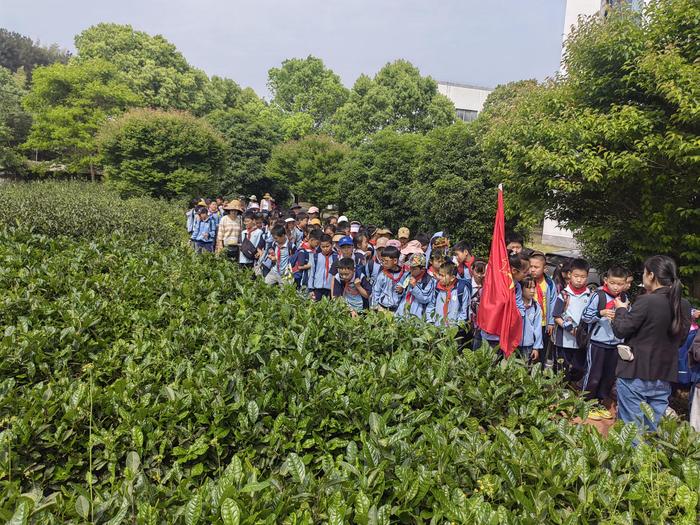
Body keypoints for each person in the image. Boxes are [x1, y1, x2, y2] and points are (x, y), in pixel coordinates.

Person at [611, 255, 691, 432]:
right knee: (650, 430)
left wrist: (621, 310)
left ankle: (633, 461)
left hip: (636, 373)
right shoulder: (683, 304)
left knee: (631, 431)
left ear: (651, 275)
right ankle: (648, 460)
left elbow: (621, 330)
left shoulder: (647, 301)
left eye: (644, 273)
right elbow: (681, 339)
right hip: (664, 375)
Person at [580, 266, 629, 419]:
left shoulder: (624, 298)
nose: (616, 287)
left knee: (608, 376)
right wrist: (600, 313)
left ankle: (600, 402)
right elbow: (585, 316)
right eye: (613, 282)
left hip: (614, 344)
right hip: (597, 342)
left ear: (625, 284)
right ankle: (586, 403)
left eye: (620, 284)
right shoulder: (598, 295)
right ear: (606, 280)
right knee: (594, 374)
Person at [551, 258, 592, 379]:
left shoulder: (590, 295)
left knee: (579, 369)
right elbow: (556, 316)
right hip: (563, 340)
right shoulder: (564, 294)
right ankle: (560, 393)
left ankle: (572, 392)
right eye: (576, 276)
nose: (579, 280)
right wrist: (569, 328)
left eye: (583, 277)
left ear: (587, 276)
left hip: (581, 341)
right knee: (561, 369)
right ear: (570, 275)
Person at [481, 253, 529, 350]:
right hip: (491, 333)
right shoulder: (497, 284)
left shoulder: (517, 287)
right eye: (525, 272)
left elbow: (519, 307)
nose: (528, 273)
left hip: (507, 333)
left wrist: (516, 316)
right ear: (514, 271)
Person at [529, 251, 557, 363]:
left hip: (543, 324)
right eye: (531, 266)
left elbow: (552, 302)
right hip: (529, 323)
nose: (533, 269)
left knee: (541, 351)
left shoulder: (549, 283)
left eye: (536, 267)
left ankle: (538, 374)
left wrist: (551, 322)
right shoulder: (526, 281)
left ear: (545, 268)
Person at [426, 261, 471, 328]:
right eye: (439, 274)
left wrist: (456, 328)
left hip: (453, 331)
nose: (439, 277)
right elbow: (431, 305)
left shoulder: (461, 289)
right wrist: (431, 322)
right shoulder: (437, 287)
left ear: (452, 277)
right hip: (437, 329)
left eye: (442, 276)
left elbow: (464, 312)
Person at [396, 253, 435, 320]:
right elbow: (400, 291)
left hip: (417, 315)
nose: (411, 270)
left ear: (422, 269)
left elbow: (425, 299)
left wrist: (414, 287)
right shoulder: (407, 275)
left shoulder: (429, 280)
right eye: (410, 267)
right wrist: (400, 291)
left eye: (414, 268)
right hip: (402, 312)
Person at [371, 245, 406, 312]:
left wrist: (402, 291)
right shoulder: (382, 275)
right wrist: (374, 307)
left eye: (386, 261)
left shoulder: (404, 275)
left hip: (397, 310)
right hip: (382, 308)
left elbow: (407, 292)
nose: (383, 263)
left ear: (395, 261)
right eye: (382, 260)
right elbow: (376, 291)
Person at [520, 276, 543, 363]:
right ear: (521, 288)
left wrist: (536, 347)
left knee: (525, 370)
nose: (532, 291)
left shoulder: (536, 306)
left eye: (534, 287)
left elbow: (537, 328)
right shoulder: (515, 305)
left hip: (528, 346)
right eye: (528, 288)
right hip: (514, 344)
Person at [308, 234, 338, 301]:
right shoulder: (316, 257)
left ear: (332, 244)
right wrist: (310, 289)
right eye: (323, 246)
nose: (325, 249)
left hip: (330, 289)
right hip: (317, 289)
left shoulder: (335, 257)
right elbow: (311, 273)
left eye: (327, 246)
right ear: (320, 246)